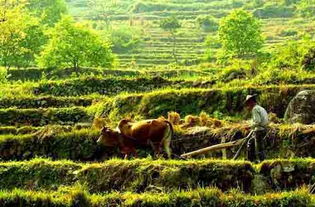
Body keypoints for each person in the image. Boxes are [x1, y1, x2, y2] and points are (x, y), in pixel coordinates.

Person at [244, 94, 269, 163]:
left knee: (259, 148)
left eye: (249, 103)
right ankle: (251, 160)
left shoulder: (255, 109)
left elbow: (257, 121)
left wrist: (249, 127)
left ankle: (263, 162)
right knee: (251, 143)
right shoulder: (261, 108)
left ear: (252, 102)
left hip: (259, 130)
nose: (248, 105)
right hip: (263, 129)